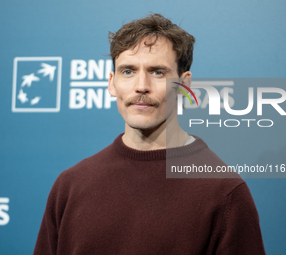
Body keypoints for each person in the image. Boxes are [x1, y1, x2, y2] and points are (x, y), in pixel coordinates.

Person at [33, 13, 266, 254]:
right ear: (112, 83)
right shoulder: (70, 186)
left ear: (184, 86)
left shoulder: (225, 192)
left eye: (157, 72)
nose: (141, 85)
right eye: (128, 71)